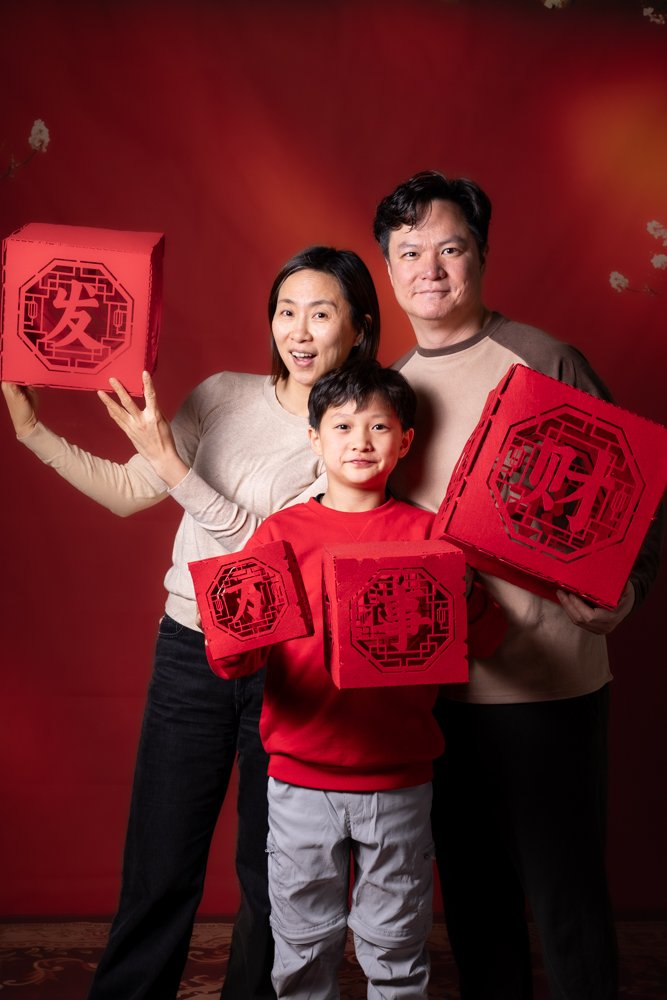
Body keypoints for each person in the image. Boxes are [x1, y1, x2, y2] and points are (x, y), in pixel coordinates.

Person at [1, 246, 380, 1000]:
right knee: (159, 862)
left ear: (360, 327)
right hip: (189, 647)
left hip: (289, 662)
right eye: (286, 311)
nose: (299, 331)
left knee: (274, 871)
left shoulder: (355, 429)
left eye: (321, 313)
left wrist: (175, 467)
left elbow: (278, 560)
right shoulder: (221, 395)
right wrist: (32, 432)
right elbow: (128, 490)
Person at [372, 171, 662, 1000]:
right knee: (474, 907)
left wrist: (626, 594)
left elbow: (639, 498)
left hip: (550, 689)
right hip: (438, 694)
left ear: (481, 256)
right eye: (409, 253)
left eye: (450, 248)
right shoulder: (387, 388)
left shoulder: (543, 359)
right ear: (388, 269)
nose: (430, 270)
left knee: (566, 904)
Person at [203, 358, 506, 1000]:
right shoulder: (281, 535)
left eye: (378, 426)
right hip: (300, 777)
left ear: (406, 441)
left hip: (398, 777)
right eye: (342, 426)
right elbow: (236, 659)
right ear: (315, 439)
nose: (360, 441)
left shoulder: (430, 536)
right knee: (301, 944)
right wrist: (228, 634)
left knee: (396, 944)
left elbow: (489, 642)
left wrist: (465, 592)